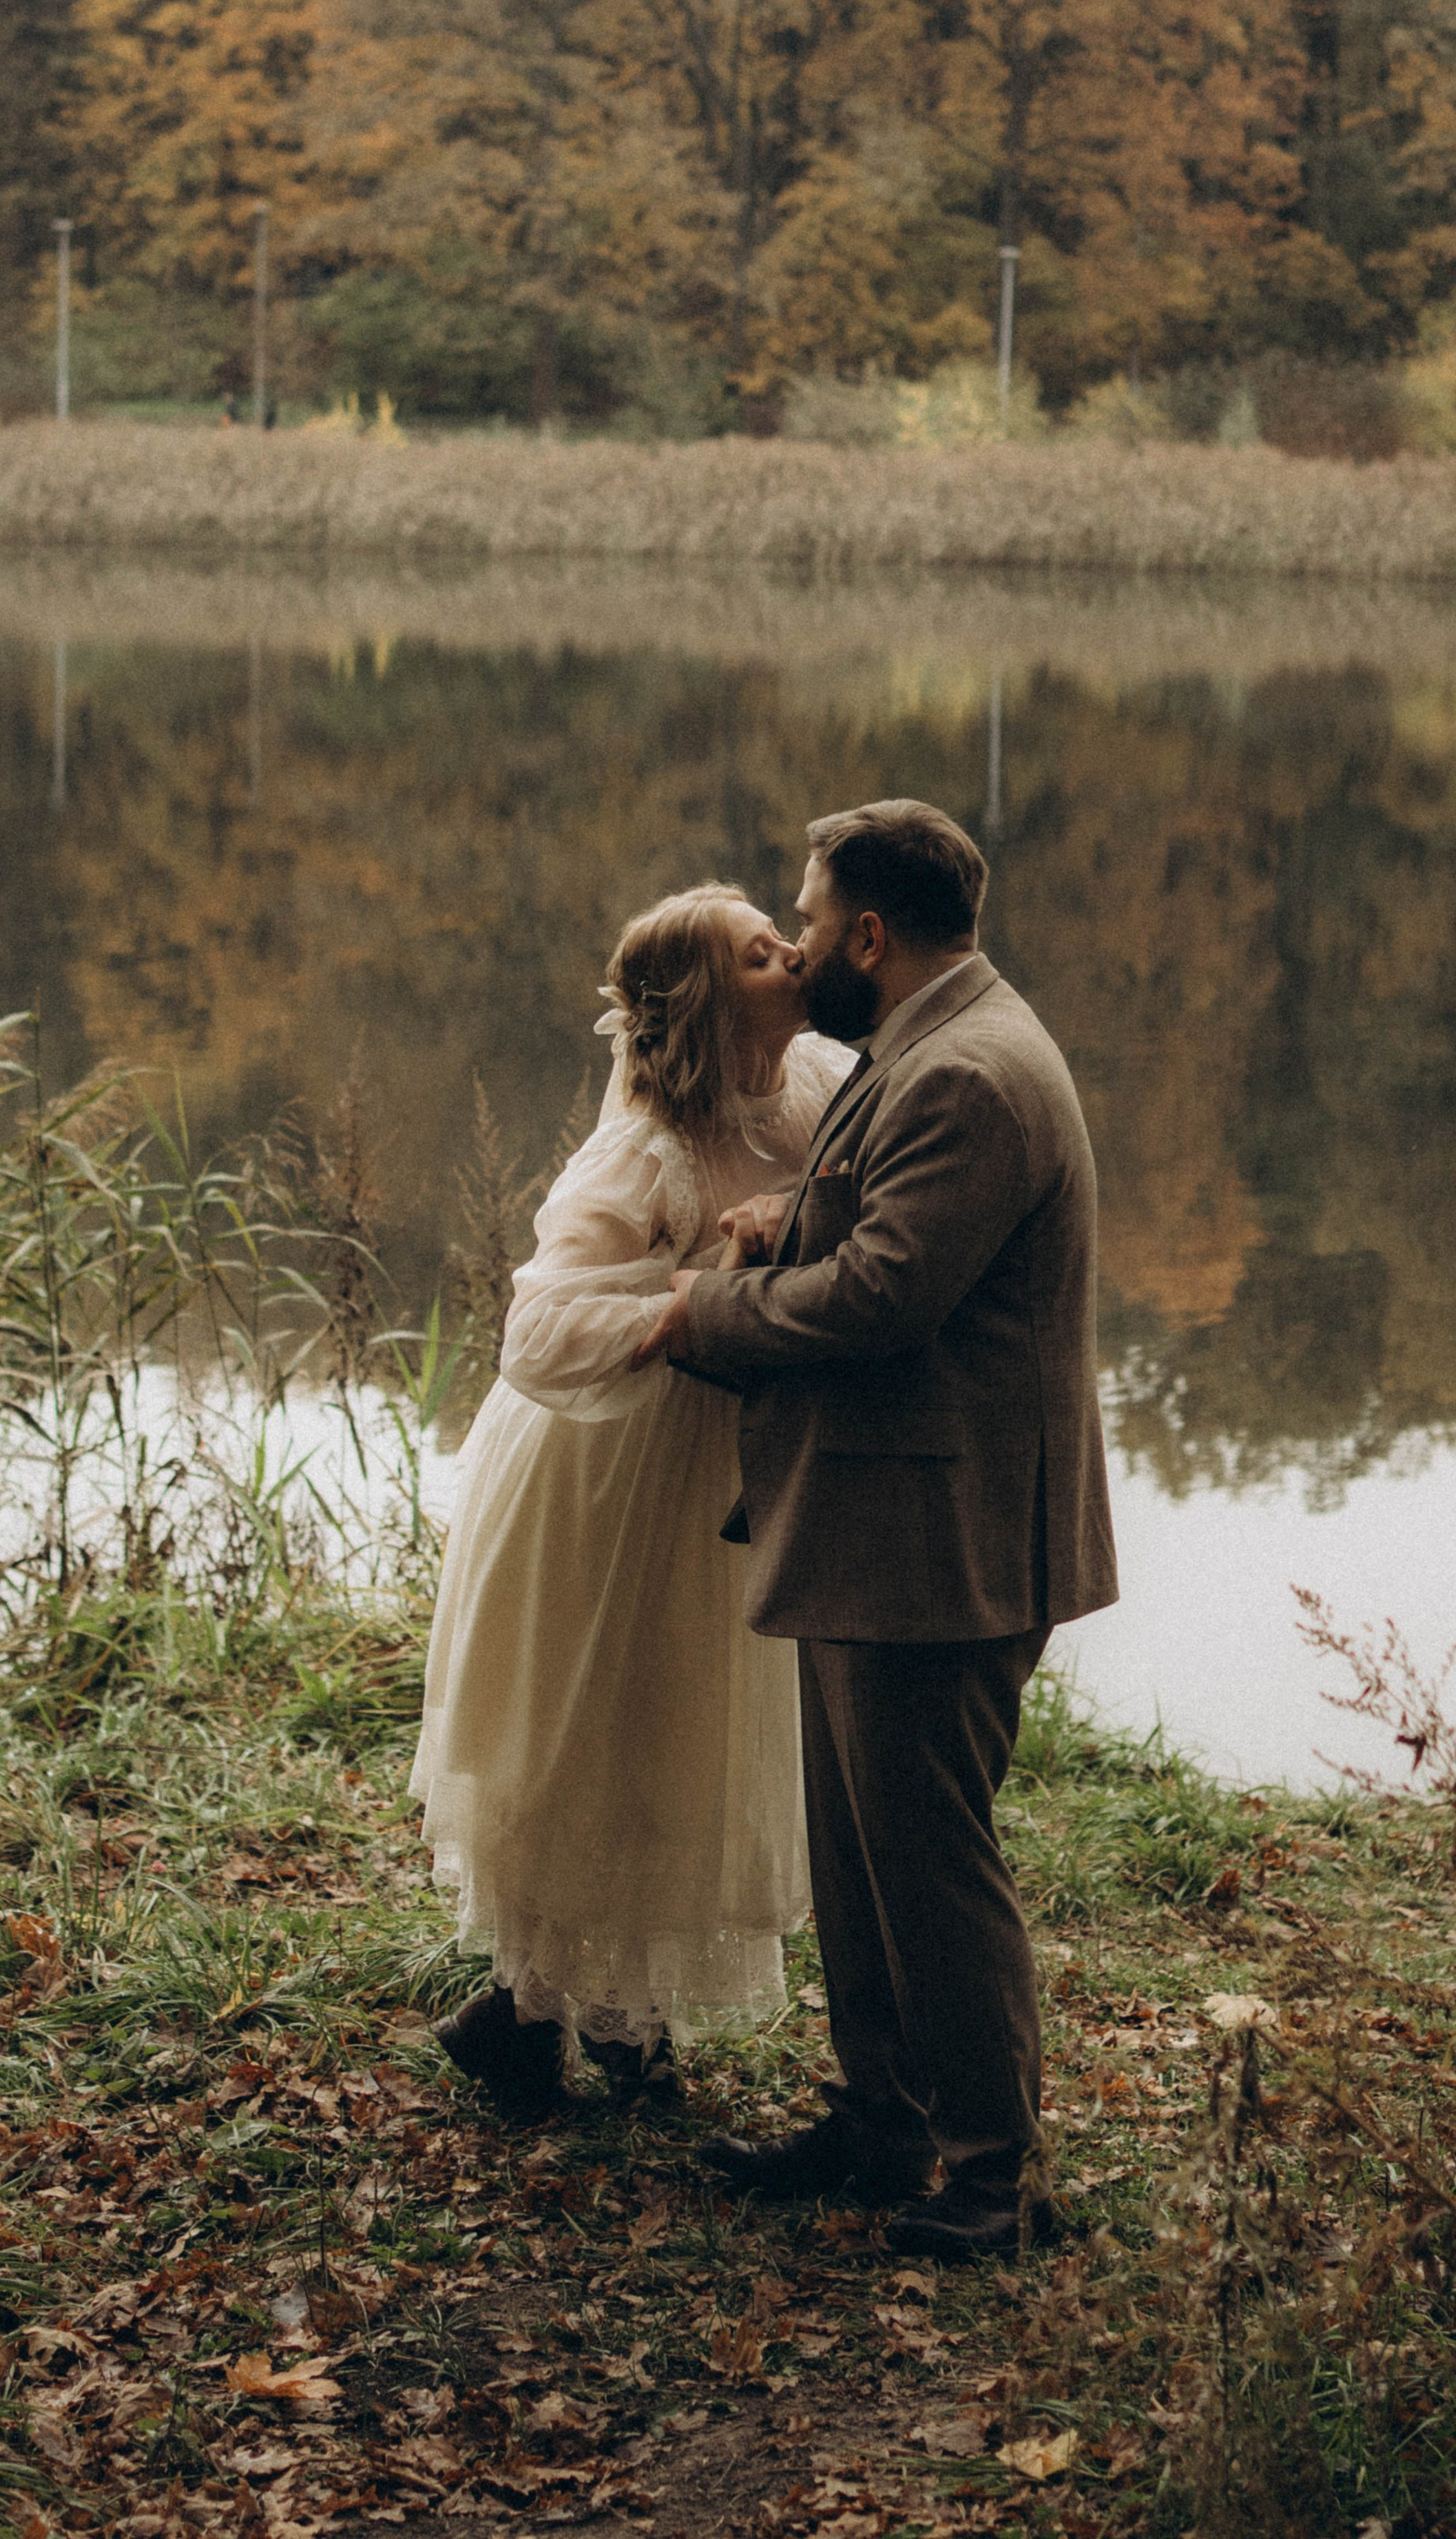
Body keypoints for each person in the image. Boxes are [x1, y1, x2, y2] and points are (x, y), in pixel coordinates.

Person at [635, 799, 1117, 2260]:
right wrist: (788, 1216)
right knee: (858, 1853)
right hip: (887, 1521)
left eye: (806, 906)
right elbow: (875, 1221)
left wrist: (702, 1313)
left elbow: (886, 1297)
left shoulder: (968, 1072)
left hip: (943, 1538)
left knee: (928, 1860)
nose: (792, 933)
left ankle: (992, 2179)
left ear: (867, 933)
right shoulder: (929, 1042)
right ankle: (880, 2123)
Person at [413, 886, 855, 2113]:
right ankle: (543, 2016)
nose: (793, 956)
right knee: (593, 1732)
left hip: (722, 1466)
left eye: (786, 936)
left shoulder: (817, 1081)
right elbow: (538, 1333)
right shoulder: (646, 1148)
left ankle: (596, 2017)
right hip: (607, 1474)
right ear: (715, 1002)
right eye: (764, 955)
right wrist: (687, 1299)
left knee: (681, 1733)